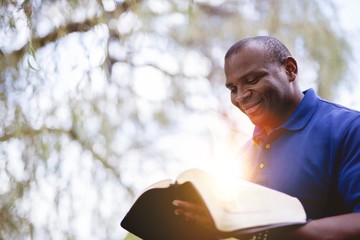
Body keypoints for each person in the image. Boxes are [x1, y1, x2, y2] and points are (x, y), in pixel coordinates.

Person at [172, 36, 360, 239]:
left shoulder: (348, 128)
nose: (241, 96)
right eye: (233, 89)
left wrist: (266, 231)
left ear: (290, 69)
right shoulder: (245, 154)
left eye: (251, 80)